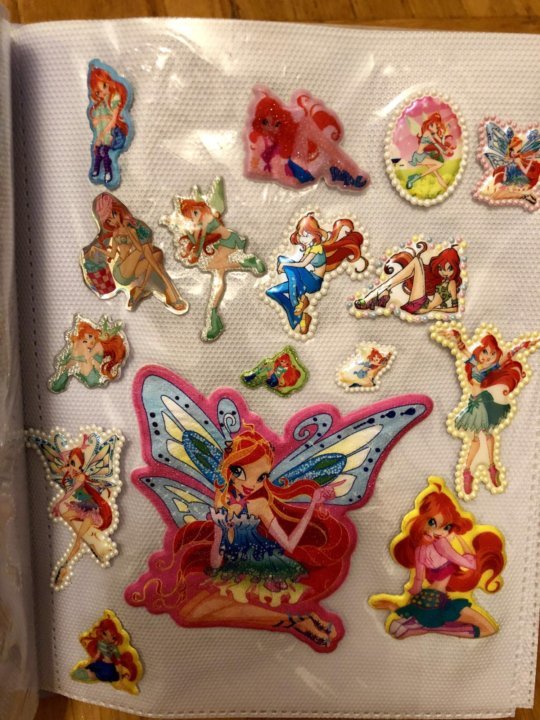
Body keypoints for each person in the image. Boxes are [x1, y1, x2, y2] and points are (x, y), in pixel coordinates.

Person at [126, 426, 353, 649]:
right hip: (230, 573)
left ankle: (297, 622)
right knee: (190, 612)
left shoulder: (260, 504)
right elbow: (216, 563)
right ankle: (296, 622)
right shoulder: (222, 505)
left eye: (261, 477)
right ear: (229, 470)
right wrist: (219, 530)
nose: (251, 484)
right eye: (240, 472)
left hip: (266, 574)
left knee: (196, 611)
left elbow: (289, 544)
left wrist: (312, 506)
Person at [370, 480, 504, 639]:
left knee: (482, 627)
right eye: (433, 522)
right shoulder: (441, 545)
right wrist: (462, 543)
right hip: (438, 603)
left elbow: (418, 579)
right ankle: (423, 627)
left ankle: (415, 624)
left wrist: (411, 597)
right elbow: (465, 562)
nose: (440, 532)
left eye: (446, 527)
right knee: (488, 628)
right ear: (423, 521)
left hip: (423, 599)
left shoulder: (419, 550)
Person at [438, 329, 539, 493]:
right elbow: (462, 348)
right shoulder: (472, 362)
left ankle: (483, 469)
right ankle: (474, 470)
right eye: (485, 351)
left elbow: (512, 353)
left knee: (485, 436)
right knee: (479, 438)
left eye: (492, 354)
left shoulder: (493, 367)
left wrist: (526, 344)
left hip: (486, 403)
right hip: (475, 404)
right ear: (480, 350)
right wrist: (455, 335)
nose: (487, 357)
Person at [83, 193, 186, 313]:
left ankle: (140, 289)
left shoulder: (133, 227)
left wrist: (128, 230)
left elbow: (139, 246)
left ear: (119, 210)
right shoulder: (114, 233)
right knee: (151, 258)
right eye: (109, 219)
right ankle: (171, 295)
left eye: (114, 213)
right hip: (121, 271)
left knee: (157, 255)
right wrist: (97, 250)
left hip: (133, 272)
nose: (113, 219)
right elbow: (113, 254)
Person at [267, 213, 366, 334]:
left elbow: (302, 264)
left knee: (284, 262)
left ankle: (301, 300)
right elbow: (300, 264)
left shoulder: (316, 248)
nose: (302, 239)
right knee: (273, 292)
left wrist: (284, 265)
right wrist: (286, 266)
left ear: (315, 235)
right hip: (305, 278)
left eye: (306, 235)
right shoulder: (308, 248)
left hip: (313, 281)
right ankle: (301, 317)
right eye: (301, 235)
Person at [52, 447, 113, 588]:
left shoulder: (80, 477)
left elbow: (71, 492)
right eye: (71, 463)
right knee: (66, 516)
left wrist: (59, 503)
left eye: (75, 464)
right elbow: (62, 456)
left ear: (81, 465)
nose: (72, 467)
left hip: (91, 511)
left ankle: (65, 566)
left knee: (78, 539)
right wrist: (78, 450)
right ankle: (93, 545)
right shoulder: (71, 472)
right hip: (80, 507)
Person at [355, 243, 461, 315]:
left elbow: (454, 309)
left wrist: (432, 309)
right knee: (415, 263)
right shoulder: (440, 280)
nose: (445, 272)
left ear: (455, 268)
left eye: (449, 269)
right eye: (441, 268)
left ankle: (378, 293)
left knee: (416, 261)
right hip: (420, 303)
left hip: (421, 306)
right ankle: (380, 293)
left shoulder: (451, 283)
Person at [49, 319, 126, 392]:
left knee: (73, 362)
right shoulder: (93, 347)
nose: (90, 341)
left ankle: (60, 380)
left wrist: (74, 356)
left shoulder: (98, 345)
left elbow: (86, 357)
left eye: (90, 336)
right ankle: (60, 380)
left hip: (92, 376)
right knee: (70, 364)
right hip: (89, 374)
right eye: (85, 341)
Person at [88, 64, 131, 186]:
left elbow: (113, 120)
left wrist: (102, 135)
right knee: (97, 151)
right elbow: (98, 120)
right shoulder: (102, 104)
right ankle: (96, 169)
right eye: (98, 92)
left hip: (115, 132)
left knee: (103, 151)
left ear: (108, 82)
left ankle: (108, 172)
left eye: (104, 86)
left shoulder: (114, 97)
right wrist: (99, 132)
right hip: (104, 131)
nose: (102, 93)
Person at [406, 112, 456, 191]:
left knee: (437, 174)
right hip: (419, 156)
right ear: (429, 124)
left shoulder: (433, 134)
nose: (435, 128)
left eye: (436, 126)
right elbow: (436, 144)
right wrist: (443, 151)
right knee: (439, 164)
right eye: (432, 125)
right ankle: (417, 177)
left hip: (424, 155)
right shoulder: (427, 133)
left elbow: (441, 142)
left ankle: (446, 188)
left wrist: (444, 132)